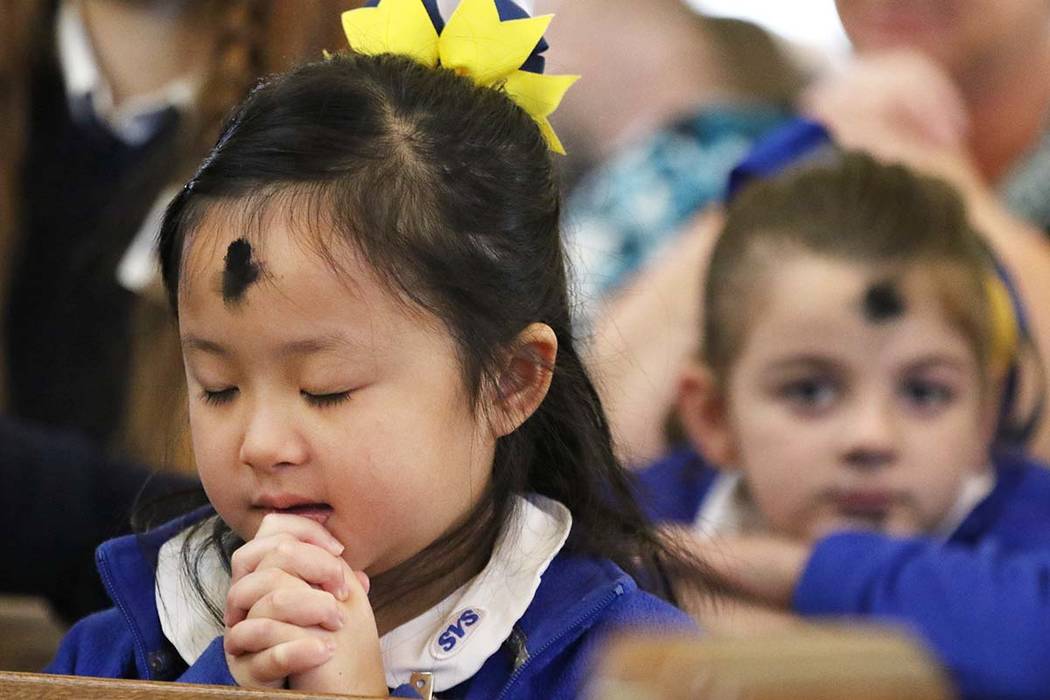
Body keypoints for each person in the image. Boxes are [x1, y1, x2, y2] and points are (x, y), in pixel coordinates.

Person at [45, 0, 702, 695]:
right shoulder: (123, 644)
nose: (261, 443)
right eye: (217, 386)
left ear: (510, 382)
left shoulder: (627, 664)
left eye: (326, 389)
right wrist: (220, 682)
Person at [636, 151, 1050, 700]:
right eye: (811, 391)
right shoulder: (635, 519)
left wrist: (801, 572)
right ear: (714, 416)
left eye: (925, 393)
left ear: (983, 418)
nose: (871, 438)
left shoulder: (1030, 525)